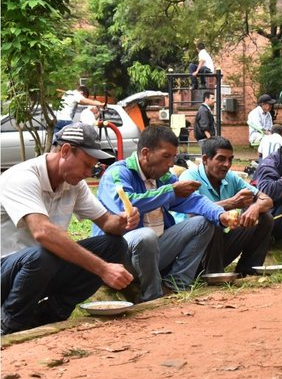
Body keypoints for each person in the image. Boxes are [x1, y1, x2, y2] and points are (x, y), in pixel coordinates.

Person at [1, 122, 138, 335]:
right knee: (44, 253)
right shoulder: (22, 177)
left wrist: (121, 222)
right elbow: (43, 233)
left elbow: (106, 223)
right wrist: (102, 269)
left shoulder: (74, 184)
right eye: (86, 164)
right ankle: (9, 326)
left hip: (38, 269)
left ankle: (51, 315)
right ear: (65, 151)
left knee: (114, 245)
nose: (88, 172)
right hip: (7, 269)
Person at [95, 126, 238, 303]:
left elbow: (193, 200)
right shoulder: (118, 173)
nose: (171, 164)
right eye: (166, 156)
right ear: (146, 153)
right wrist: (170, 191)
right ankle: (152, 295)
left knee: (204, 222)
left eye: (173, 157)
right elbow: (127, 204)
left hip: (156, 254)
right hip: (122, 258)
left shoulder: (163, 177)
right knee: (146, 236)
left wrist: (220, 215)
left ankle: (175, 284)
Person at [179, 137, 273, 275]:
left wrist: (255, 208)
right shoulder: (189, 177)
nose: (227, 164)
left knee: (264, 218)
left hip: (219, 247)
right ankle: (212, 275)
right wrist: (232, 203)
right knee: (211, 219)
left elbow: (267, 200)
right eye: (221, 159)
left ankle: (247, 272)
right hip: (192, 253)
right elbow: (193, 215)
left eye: (230, 159)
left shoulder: (229, 177)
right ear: (205, 159)